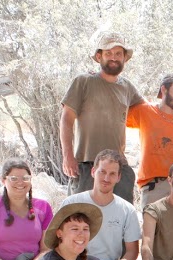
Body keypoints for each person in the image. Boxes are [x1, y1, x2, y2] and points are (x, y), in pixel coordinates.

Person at [60, 149, 141, 260]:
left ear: (119, 178)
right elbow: (58, 246)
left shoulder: (127, 210)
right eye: (102, 172)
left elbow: (133, 252)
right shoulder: (72, 203)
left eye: (112, 174)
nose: (106, 178)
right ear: (93, 172)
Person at [60, 33, 142, 202]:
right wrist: (68, 155)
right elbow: (66, 119)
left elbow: (149, 112)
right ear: (99, 57)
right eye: (108, 53)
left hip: (118, 168)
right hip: (86, 164)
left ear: (125, 58)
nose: (114, 58)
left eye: (118, 53)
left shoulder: (127, 87)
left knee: (120, 220)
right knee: (80, 219)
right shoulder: (83, 82)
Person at [126, 73, 173, 208]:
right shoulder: (145, 110)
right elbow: (116, 114)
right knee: (152, 229)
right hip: (153, 186)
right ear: (164, 89)